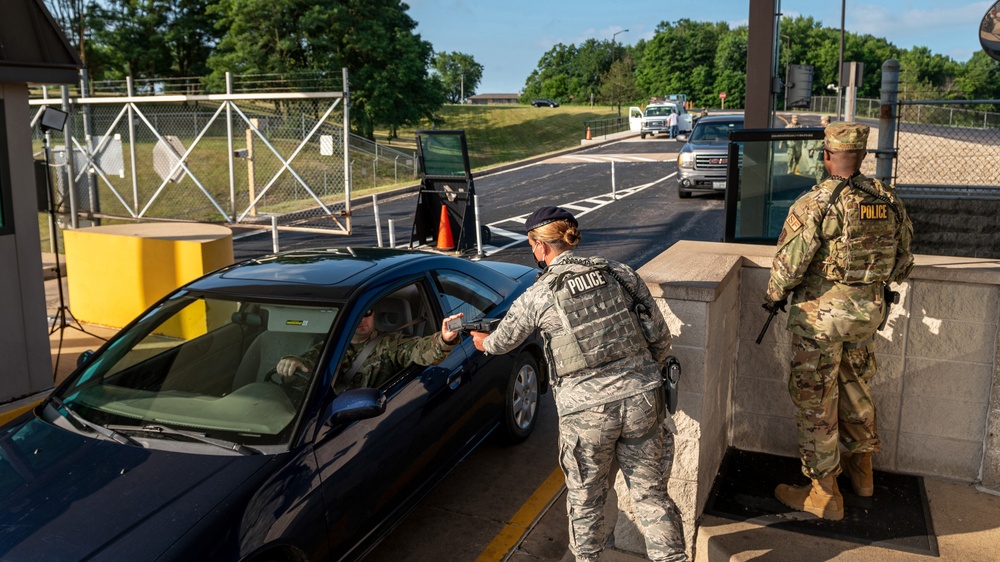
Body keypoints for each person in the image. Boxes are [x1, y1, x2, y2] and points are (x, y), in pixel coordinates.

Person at [471, 207, 686, 562]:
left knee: (586, 501)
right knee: (651, 496)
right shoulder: (618, 273)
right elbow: (659, 337)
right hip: (643, 400)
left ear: (539, 246)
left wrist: (480, 340)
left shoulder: (539, 295)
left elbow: (501, 342)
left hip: (587, 414)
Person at [766, 122, 914, 521]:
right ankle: (862, 476)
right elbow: (902, 262)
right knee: (855, 388)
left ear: (827, 155)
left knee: (816, 401)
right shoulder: (885, 199)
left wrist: (774, 295)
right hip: (867, 318)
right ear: (862, 156)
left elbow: (789, 266)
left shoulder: (818, 201)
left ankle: (824, 495)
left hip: (821, 322)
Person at [277, 306, 463, 393]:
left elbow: (420, 350)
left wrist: (443, 340)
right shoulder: (331, 347)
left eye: (366, 313)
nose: (362, 320)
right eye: (355, 316)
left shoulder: (389, 344)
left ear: (374, 314)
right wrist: (293, 362)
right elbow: (310, 363)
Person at [806, 115, 832, 183]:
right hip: (830, 160)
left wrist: (813, 148)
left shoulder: (826, 131)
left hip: (822, 159)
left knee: (820, 180)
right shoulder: (832, 130)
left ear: (825, 121)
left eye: (822, 121)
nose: (820, 122)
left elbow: (820, 145)